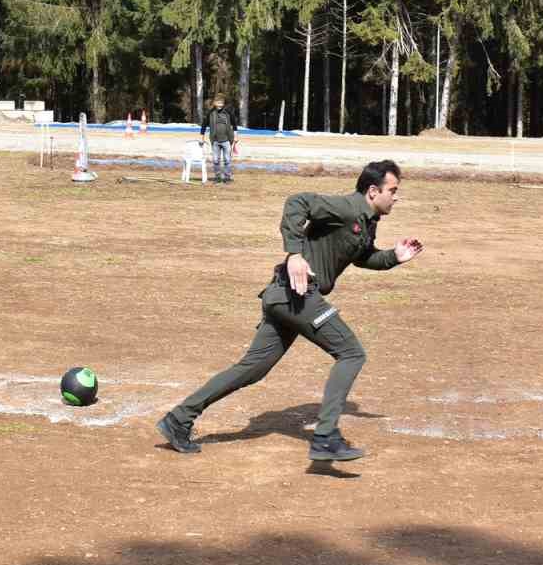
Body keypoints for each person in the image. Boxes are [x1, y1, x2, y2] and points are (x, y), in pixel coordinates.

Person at [156, 159, 425, 462]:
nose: (396, 196)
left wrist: (394, 257)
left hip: (286, 298)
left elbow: (362, 257)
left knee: (251, 369)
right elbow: (297, 203)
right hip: (297, 295)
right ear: (374, 191)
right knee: (351, 353)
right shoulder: (347, 207)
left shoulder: (365, 221)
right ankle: (325, 437)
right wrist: (294, 254)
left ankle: (179, 419)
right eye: (393, 190)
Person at [201, 93, 238, 184]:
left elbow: (235, 125)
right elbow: (204, 125)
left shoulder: (228, 112)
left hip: (227, 141)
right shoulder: (210, 113)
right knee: (215, 160)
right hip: (215, 141)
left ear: (224, 103)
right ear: (214, 103)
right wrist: (202, 138)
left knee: (227, 160)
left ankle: (227, 178)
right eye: (218, 102)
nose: (220, 104)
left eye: (221, 102)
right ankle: (217, 177)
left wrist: (236, 137)